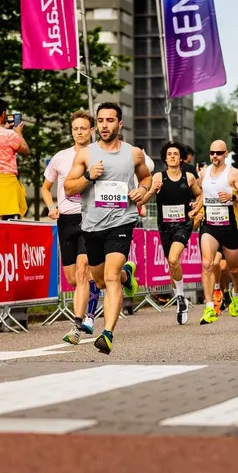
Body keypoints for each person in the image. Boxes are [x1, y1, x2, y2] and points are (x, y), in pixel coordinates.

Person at [63, 103, 151, 354]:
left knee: (110, 276)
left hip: (121, 221)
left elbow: (145, 178)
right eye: (100, 120)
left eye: (110, 120)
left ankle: (108, 333)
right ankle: (127, 276)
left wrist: (142, 190)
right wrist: (89, 176)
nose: (104, 125)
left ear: (119, 124)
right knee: (100, 280)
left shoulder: (133, 154)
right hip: (92, 225)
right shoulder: (86, 155)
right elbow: (68, 188)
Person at [41, 111, 97, 343]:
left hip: (90, 218)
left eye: (83, 128)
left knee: (83, 272)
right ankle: (116, 279)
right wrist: (51, 206)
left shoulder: (98, 155)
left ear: (91, 130)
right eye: (75, 128)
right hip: (66, 220)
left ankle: (77, 326)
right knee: (73, 279)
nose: (79, 132)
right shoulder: (60, 158)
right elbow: (45, 188)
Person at [141, 142, 203, 325]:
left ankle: (181, 297)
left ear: (181, 157)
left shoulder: (189, 177)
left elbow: (200, 195)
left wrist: (195, 208)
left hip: (183, 224)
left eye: (176, 154)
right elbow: (143, 199)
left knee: (174, 259)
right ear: (165, 158)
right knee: (171, 262)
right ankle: (180, 299)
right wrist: (152, 189)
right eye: (169, 154)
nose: (173, 156)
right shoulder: (158, 177)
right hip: (165, 226)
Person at [197, 140, 238, 324]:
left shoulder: (234, 174)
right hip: (209, 225)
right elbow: (200, 194)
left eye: (219, 153)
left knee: (234, 268)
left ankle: (236, 294)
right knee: (207, 264)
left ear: (226, 154)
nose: (214, 156)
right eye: (212, 152)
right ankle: (209, 307)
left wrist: (232, 196)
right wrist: (195, 208)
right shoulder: (203, 173)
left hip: (230, 226)